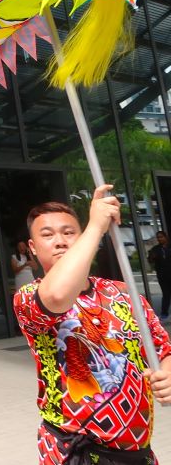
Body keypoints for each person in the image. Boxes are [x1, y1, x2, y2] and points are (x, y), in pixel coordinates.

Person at [14, 185, 171, 463]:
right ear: (33, 249)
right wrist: (95, 227)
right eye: (47, 235)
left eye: (69, 232)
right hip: (75, 452)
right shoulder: (28, 298)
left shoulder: (124, 293)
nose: (60, 241)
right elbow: (57, 295)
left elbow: (162, 348)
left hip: (138, 453)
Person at [147, 230, 171, 319]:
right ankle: (164, 313)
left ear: (166, 237)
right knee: (166, 294)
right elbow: (150, 260)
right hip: (162, 276)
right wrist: (152, 257)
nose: (159, 239)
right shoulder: (155, 249)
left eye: (161, 237)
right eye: (158, 237)